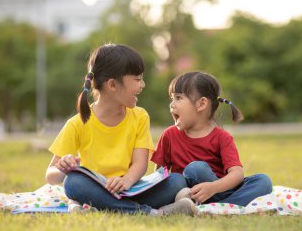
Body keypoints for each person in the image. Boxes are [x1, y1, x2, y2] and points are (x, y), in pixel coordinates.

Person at [45, 43, 195, 215]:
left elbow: (140, 163)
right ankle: (153, 214)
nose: (143, 85)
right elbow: (50, 175)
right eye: (137, 79)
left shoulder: (140, 116)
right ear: (112, 85)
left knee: (176, 180)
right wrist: (62, 168)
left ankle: (101, 207)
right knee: (73, 183)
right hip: (95, 187)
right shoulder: (77, 123)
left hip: (131, 187)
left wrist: (127, 181)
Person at [151, 71, 272, 208]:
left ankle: (215, 206)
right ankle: (215, 206)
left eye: (178, 98)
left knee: (263, 181)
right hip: (187, 192)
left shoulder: (222, 137)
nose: (172, 104)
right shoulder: (169, 135)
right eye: (171, 98)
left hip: (220, 191)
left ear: (201, 104)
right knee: (189, 172)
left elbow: (237, 174)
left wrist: (213, 187)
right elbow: (160, 174)